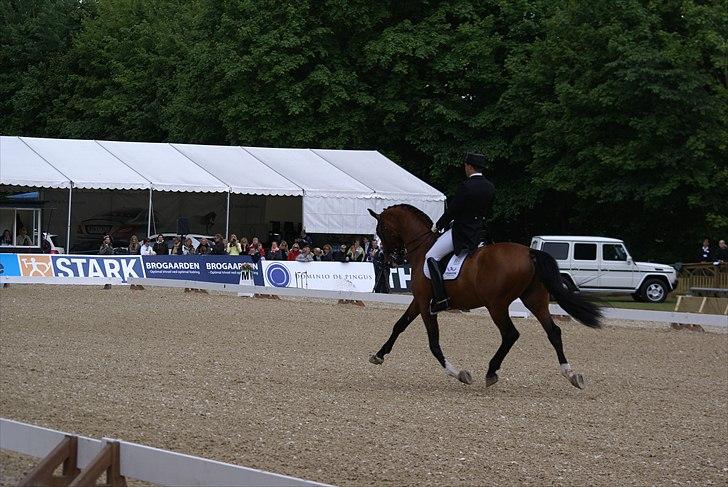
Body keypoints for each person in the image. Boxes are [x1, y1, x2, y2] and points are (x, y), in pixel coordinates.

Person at [426, 152, 495, 313]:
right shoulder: (490, 187)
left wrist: (437, 226)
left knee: (431, 256)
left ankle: (441, 299)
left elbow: (453, 211)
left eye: (465, 166)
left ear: (469, 166)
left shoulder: (466, 186)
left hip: (462, 232)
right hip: (479, 232)